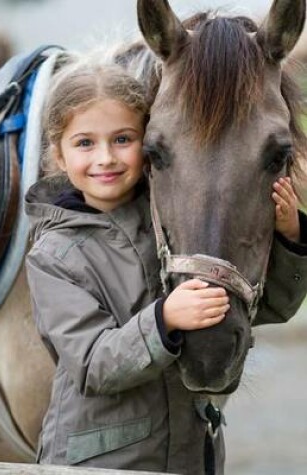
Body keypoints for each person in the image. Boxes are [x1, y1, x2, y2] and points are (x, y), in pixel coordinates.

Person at [24, 54, 307, 474]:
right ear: (59, 157)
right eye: (85, 143)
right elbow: (91, 363)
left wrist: (290, 238)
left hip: (187, 457)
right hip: (97, 465)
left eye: (123, 139)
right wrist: (164, 320)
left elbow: (267, 307)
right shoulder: (53, 255)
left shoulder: (171, 227)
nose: (106, 158)